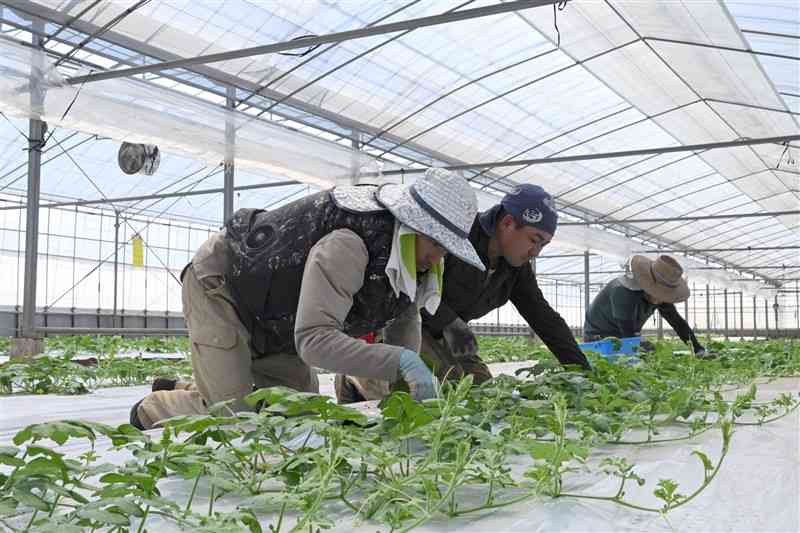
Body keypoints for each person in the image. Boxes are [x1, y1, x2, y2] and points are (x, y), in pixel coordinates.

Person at [129, 168, 484, 429]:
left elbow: (404, 320)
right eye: (436, 243)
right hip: (224, 289)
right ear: (411, 225)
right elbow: (314, 342)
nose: (438, 257)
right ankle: (155, 407)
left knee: (298, 414)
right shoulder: (350, 245)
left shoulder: (410, 264)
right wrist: (404, 362)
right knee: (236, 419)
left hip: (276, 314)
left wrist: (402, 400)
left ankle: (201, 386)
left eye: (446, 249)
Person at [336, 184, 591, 403]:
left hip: (451, 338)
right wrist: (448, 321)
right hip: (410, 323)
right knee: (434, 393)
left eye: (544, 245)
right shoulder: (458, 234)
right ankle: (358, 373)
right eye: (534, 240)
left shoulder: (515, 268)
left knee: (484, 395)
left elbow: (544, 318)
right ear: (508, 223)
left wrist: (584, 373)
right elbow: (410, 287)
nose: (536, 252)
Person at [583, 254, 706, 355]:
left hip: (623, 337)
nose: (662, 299)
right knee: (646, 353)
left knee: (650, 351)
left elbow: (677, 322)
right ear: (649, 284)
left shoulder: (660, 298)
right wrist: (641, 351)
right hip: (598, 341)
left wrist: (698, 349)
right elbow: (628, 334)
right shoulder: (623, 291)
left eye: (666, 295)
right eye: (660, 293)